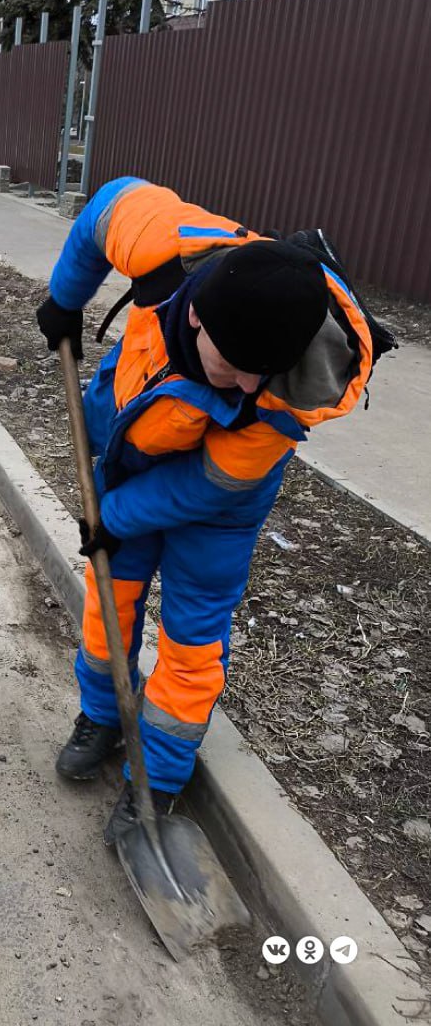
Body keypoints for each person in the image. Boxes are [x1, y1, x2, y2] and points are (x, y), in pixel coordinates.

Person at [35, 176, 377, 845]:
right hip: (132, 462)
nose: (252, 384)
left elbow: (203, 489)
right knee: (112, 600)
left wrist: (109, 518)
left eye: (265, 372)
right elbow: (102, 209)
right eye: (237, 366)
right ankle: (103, 716)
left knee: (192, 639)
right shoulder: (163, 242)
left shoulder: (285, 393)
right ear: (196, 317)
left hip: (219, 508)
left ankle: (155, 781)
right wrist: (64, 299)